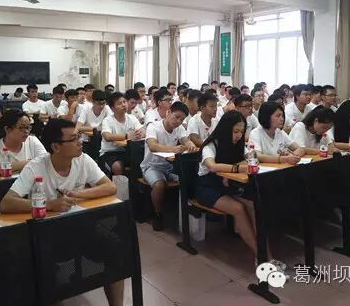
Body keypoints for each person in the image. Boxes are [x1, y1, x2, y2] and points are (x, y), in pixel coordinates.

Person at [0, 119, 122, 306]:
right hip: (47, 233)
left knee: (116, 247)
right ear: (56, 146)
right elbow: (6, 203)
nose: (80, 141)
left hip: (80, 227)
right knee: (46, 270)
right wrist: (49, 204)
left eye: (78, 136)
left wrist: (78, 193)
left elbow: (110, 187)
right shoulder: (36, 166)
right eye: (73, 139)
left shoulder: (83, 159)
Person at [196, 110, 276, 261]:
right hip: (207, 187)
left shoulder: (238, 144)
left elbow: (251, 158)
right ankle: (260, 256)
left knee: (253, 206)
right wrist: (237, 168)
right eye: (235, 131)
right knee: (238, 208)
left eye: (241, 131)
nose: (239, 135)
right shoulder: (211, 145)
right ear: (226, 129)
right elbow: (212, 166)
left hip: (228, 184)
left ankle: (267, 254)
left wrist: (235, 167)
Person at [142, 102, 197, 230]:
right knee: (159, 184)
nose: (178, 121)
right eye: (176, 117)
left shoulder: (179, 128)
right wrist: (173, 149)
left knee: (189, 178)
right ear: (169, 112)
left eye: (182, 119)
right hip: (152, 166)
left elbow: (185, 139)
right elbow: (152, 146)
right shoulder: (153, 126)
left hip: (170, 166)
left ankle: (189, 211)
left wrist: (190, 144)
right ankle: (158, 214)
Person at [0, 109, 47, 175]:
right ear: (7, 129)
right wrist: (27, 163)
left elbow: (45, 162)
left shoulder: (32, 141)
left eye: (28, 127)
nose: (26, 131)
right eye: (21, 128)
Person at [100, 92, 145, 176]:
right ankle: (118, 184)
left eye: (124, 102)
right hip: (110, 153)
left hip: (128, 151)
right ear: (112, 108)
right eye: (119, 103)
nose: (124, 105)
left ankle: (134, 183)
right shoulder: (107, 120)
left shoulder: (131, 118)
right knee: (117, 167)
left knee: (141, 162)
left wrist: (139, 134)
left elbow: (142, 130)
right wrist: (127, 136)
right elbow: (107, 136)